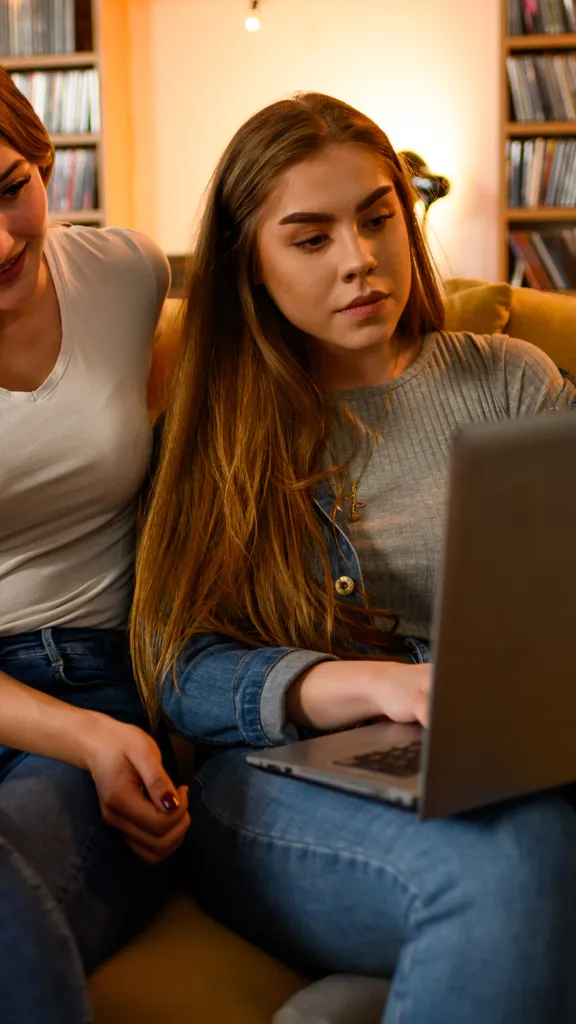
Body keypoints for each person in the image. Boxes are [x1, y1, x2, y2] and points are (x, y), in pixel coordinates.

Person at [131, 92, 576, 1024]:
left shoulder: (507, 381)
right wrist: (376, 686)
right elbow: (178, 667)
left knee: (531, 838)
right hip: (273, 782)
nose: (360, 258)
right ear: (249, 265)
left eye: (378, 217)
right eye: (310, 237)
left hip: (505, 764)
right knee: (517, 859)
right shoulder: (215, 428)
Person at [0, 68, 190, 1024]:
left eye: (8, 190)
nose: (0, 241)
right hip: (69, 725)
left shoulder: (125, 273)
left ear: (48, 163)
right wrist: (86, 739)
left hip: (99, 673)